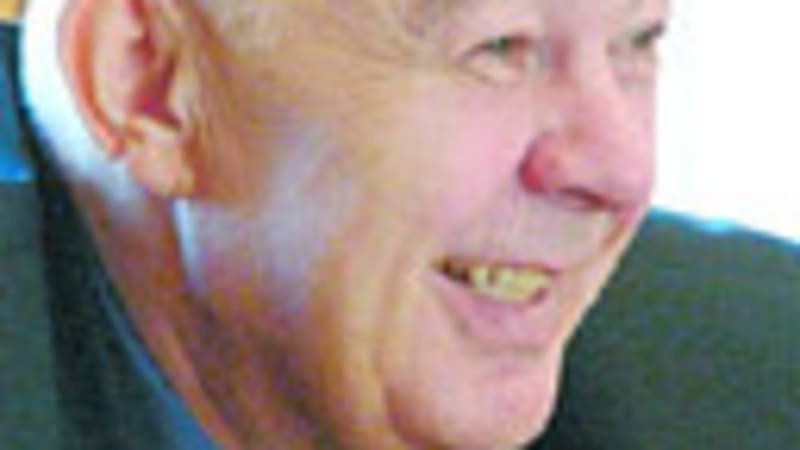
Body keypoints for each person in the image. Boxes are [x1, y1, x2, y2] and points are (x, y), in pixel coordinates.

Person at [11, 0, 669, 448]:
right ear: (149, 83)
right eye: (499, 48)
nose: (624, 170)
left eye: (638, 43)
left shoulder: (710, 372)